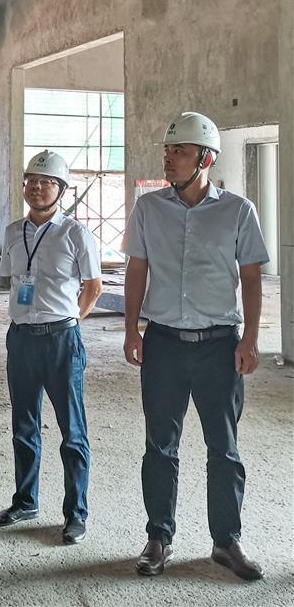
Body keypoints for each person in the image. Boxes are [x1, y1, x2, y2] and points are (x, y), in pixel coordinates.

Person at [123, 112, 268, 581]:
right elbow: (137, 270)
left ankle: (226, 542)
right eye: (168, 151)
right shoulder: (148, 209)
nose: (168, 158)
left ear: (205, 159)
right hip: (164, 343)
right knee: (159, 447)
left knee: (223, 449)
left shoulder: (238, 211)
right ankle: (158, 538)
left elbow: (251, 278)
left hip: (218, 347)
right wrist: (131, 329)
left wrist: (250, 338)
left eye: (179, 151)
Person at [0, 150, 102, 546]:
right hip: (20, 338)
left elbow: (93, 287)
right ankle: (25, 501)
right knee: (24, 425)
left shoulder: (75, 233)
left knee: (72, 431)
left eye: (46, 182)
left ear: (61, 189)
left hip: (61, 340)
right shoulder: (12, 231)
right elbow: (13, 278)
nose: (37, 188)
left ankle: (76, 514)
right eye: (31, 181)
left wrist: (70, 321)